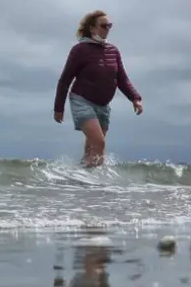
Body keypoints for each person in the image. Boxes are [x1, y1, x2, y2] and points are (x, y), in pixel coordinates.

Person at [54, 10, 143, 168]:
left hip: (103, 105)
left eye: (109, 26)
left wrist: (135, 98)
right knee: (99, 142)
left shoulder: (113, 51)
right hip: (81, 101)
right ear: (92, 29)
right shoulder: (79, 50)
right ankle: (96, 183)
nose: (107, 29)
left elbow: (122, 78)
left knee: (91, 149)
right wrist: (58, 108)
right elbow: (65, 80)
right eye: (103, 26)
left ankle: (82, 180)